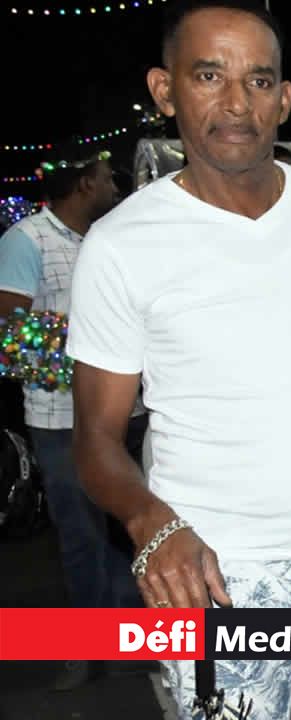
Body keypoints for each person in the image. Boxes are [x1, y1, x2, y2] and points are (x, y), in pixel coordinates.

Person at [66, 1, 291, 716]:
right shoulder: (121, 246)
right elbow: (94, 441)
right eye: (209, 75)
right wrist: (153, 523)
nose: (237, 102)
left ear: (285, 98)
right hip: (212, 575)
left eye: (259, 79)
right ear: (164, 90)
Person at [0, 143, 147, 690]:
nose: (115, 186)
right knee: (81, 536)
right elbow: (9, 338)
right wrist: (95, 350)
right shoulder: (25, 240)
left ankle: (134, 638)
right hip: (63, 422)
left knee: (138, 530)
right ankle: (86, 649)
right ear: (85, 184)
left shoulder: (109, 241)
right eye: (108, 178)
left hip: (129, 412)